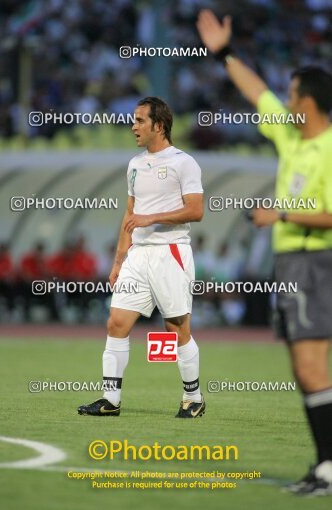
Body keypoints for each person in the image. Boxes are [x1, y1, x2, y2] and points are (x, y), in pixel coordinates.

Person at [197, 9, 332, 496]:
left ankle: (327, 468)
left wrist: (284, 215)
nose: (286, 100)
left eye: (293, 94)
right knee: (306, 368)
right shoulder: (291, 136)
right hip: (294, 264)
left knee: (312, 367)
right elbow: (257, 92)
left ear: (309, 102)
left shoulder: (330, 148)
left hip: (316, 262)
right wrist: (225, 53)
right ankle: (325, 467)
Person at [78, 96, 206, 418]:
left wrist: (152, 218)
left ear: (158, 126)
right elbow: (130, 214)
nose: (133, 126)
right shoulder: (135, 164)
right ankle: (111, 399)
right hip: (137, 255)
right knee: (116, 322)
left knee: (176, 328)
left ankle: (194, 398)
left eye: (139, 120)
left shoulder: (184, 162)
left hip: (170, 252)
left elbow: (196, 210)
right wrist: (119, 260)